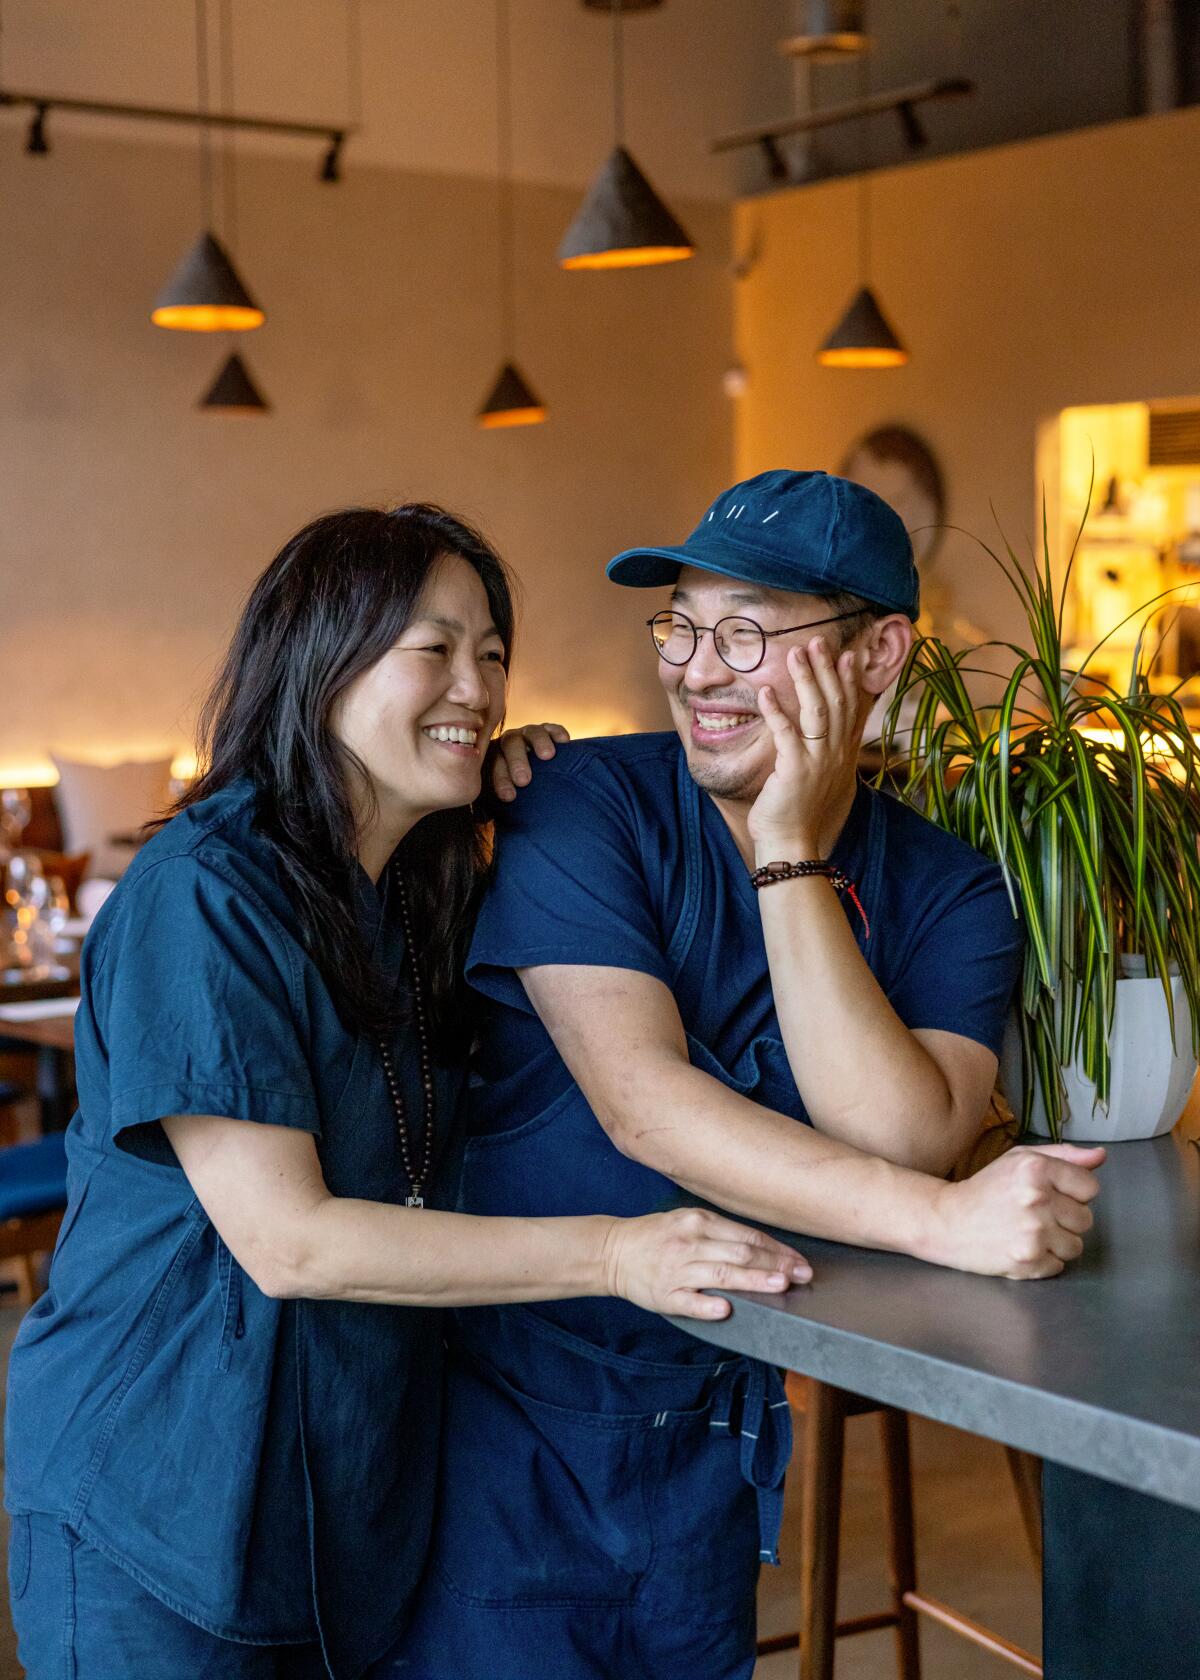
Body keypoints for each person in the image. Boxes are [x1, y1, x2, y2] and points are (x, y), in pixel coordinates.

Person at [3, 503, 811, 1680]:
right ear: (321, 658)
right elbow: (290, 1243)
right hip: (154, 1501)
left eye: (491, 654)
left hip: (341, 1504)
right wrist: (616, 1254)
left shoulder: (419, 889)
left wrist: (533, 791)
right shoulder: (202, 897)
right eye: (432, 649)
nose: (475, 686)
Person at [397, 470, 1106, 1680]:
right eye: (680, 624)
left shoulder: (951, 889)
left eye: (746, 633)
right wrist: (945, 1225)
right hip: (509, 1428)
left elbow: (901, 1137)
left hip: (719, 1433)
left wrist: (788, 849)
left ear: (881, 654)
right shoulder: (583, 805)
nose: (696, 670)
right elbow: (645, 1107)